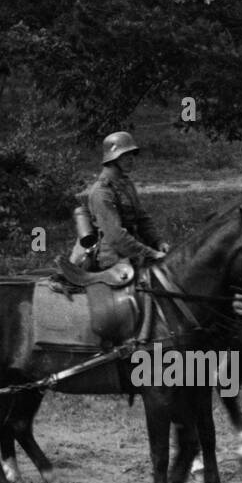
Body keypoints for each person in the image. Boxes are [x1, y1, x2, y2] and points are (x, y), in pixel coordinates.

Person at [71, 131, 171, 345]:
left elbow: (142, 218)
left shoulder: (125, 184)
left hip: (133, 251)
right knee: (142, 294)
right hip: (113, 258)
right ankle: (135, 339)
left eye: (132, 155)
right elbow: (116, 237)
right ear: (112, 158)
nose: (131, 160)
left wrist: (158, 241)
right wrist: (151, 253)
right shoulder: (101, 192)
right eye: (126, 156)